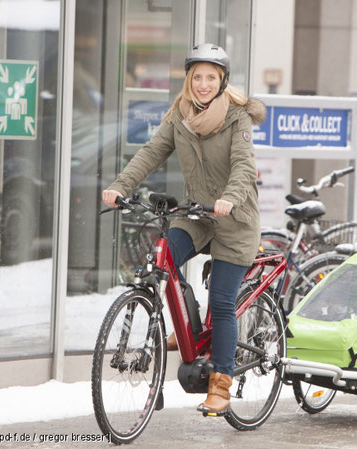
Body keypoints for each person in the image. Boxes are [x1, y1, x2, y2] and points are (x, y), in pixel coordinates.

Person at [101, 43, 266, 414]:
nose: (204, 84)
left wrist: (230, 197)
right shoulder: (180, 115)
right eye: (198, 77)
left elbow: (243, 166)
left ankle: (221, 385)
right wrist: (120, 186)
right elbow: (150, 152)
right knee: (162, 259)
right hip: (196, 215)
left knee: (223, 302)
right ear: (189, 80)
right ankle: (186, 326)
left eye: (211, 77)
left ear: (222, 81)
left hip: (234, 220)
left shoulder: (237, 117)